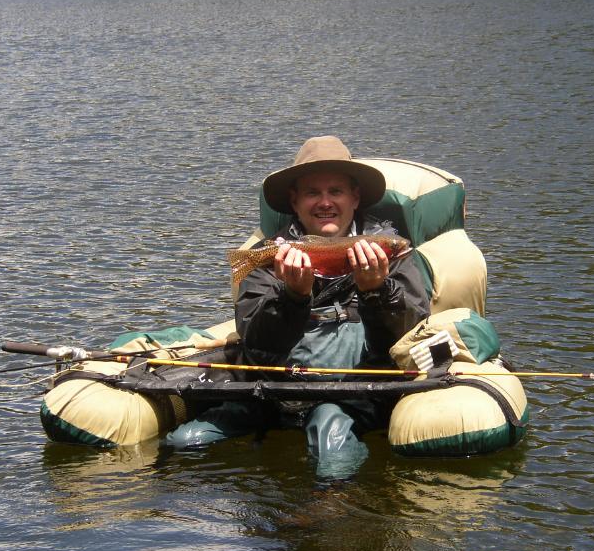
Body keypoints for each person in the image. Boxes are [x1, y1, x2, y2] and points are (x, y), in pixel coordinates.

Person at [166, 136, 430, 479]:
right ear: (294, 200)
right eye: (312, 193)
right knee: (186, 441)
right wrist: (293, 295)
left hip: (354, 392)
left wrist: (376, 291)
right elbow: (257, 343)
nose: (325, 202)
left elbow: (409, 336)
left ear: (355, 197)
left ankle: (327, 509)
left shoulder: (388, 253)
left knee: (330, 434)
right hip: (272, 390)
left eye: (335, 191)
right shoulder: (271, 254)